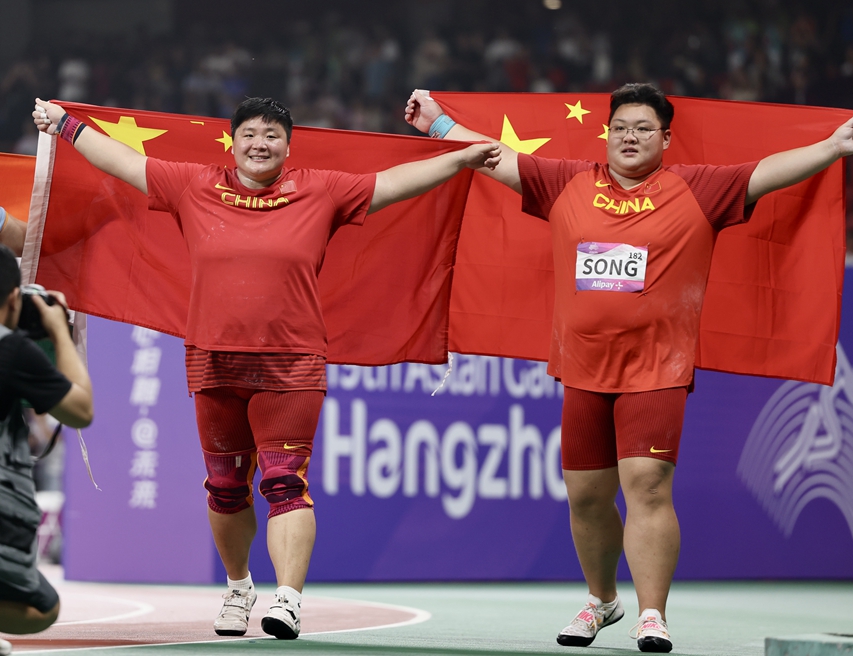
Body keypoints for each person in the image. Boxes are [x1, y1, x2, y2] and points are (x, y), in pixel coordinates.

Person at [405, 83, 853, 654]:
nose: (630, 137)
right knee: (585, 496)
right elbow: (493, 156)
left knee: (647, 485)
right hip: (581, 367)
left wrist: (834, 146)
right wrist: (437, 124)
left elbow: (766, 173)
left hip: (657, 367)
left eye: (644, 128)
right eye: (620, 127)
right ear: (607, 134)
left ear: (666, 138)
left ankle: (652, 614)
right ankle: (603, 601)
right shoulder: (567, 181)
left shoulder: (697, 188)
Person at [32, 95, 500, 641]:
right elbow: (122, 161)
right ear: (232, 143)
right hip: (213, 360)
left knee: (283, 481)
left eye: (272, 135)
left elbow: (396, 182)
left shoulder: (321, 190)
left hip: (291, 362)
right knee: (225, 487)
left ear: (288, 146)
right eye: (250, 134)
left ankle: (289, 600)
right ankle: (238, 589)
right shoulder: (193, 185)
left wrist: (460, 156)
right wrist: (65, 124)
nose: (260, 144)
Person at [0, 244, 93, 655]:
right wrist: (58, 332)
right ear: (13, 298)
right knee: (41, 607)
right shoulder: (11, 349)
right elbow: (80, 410)